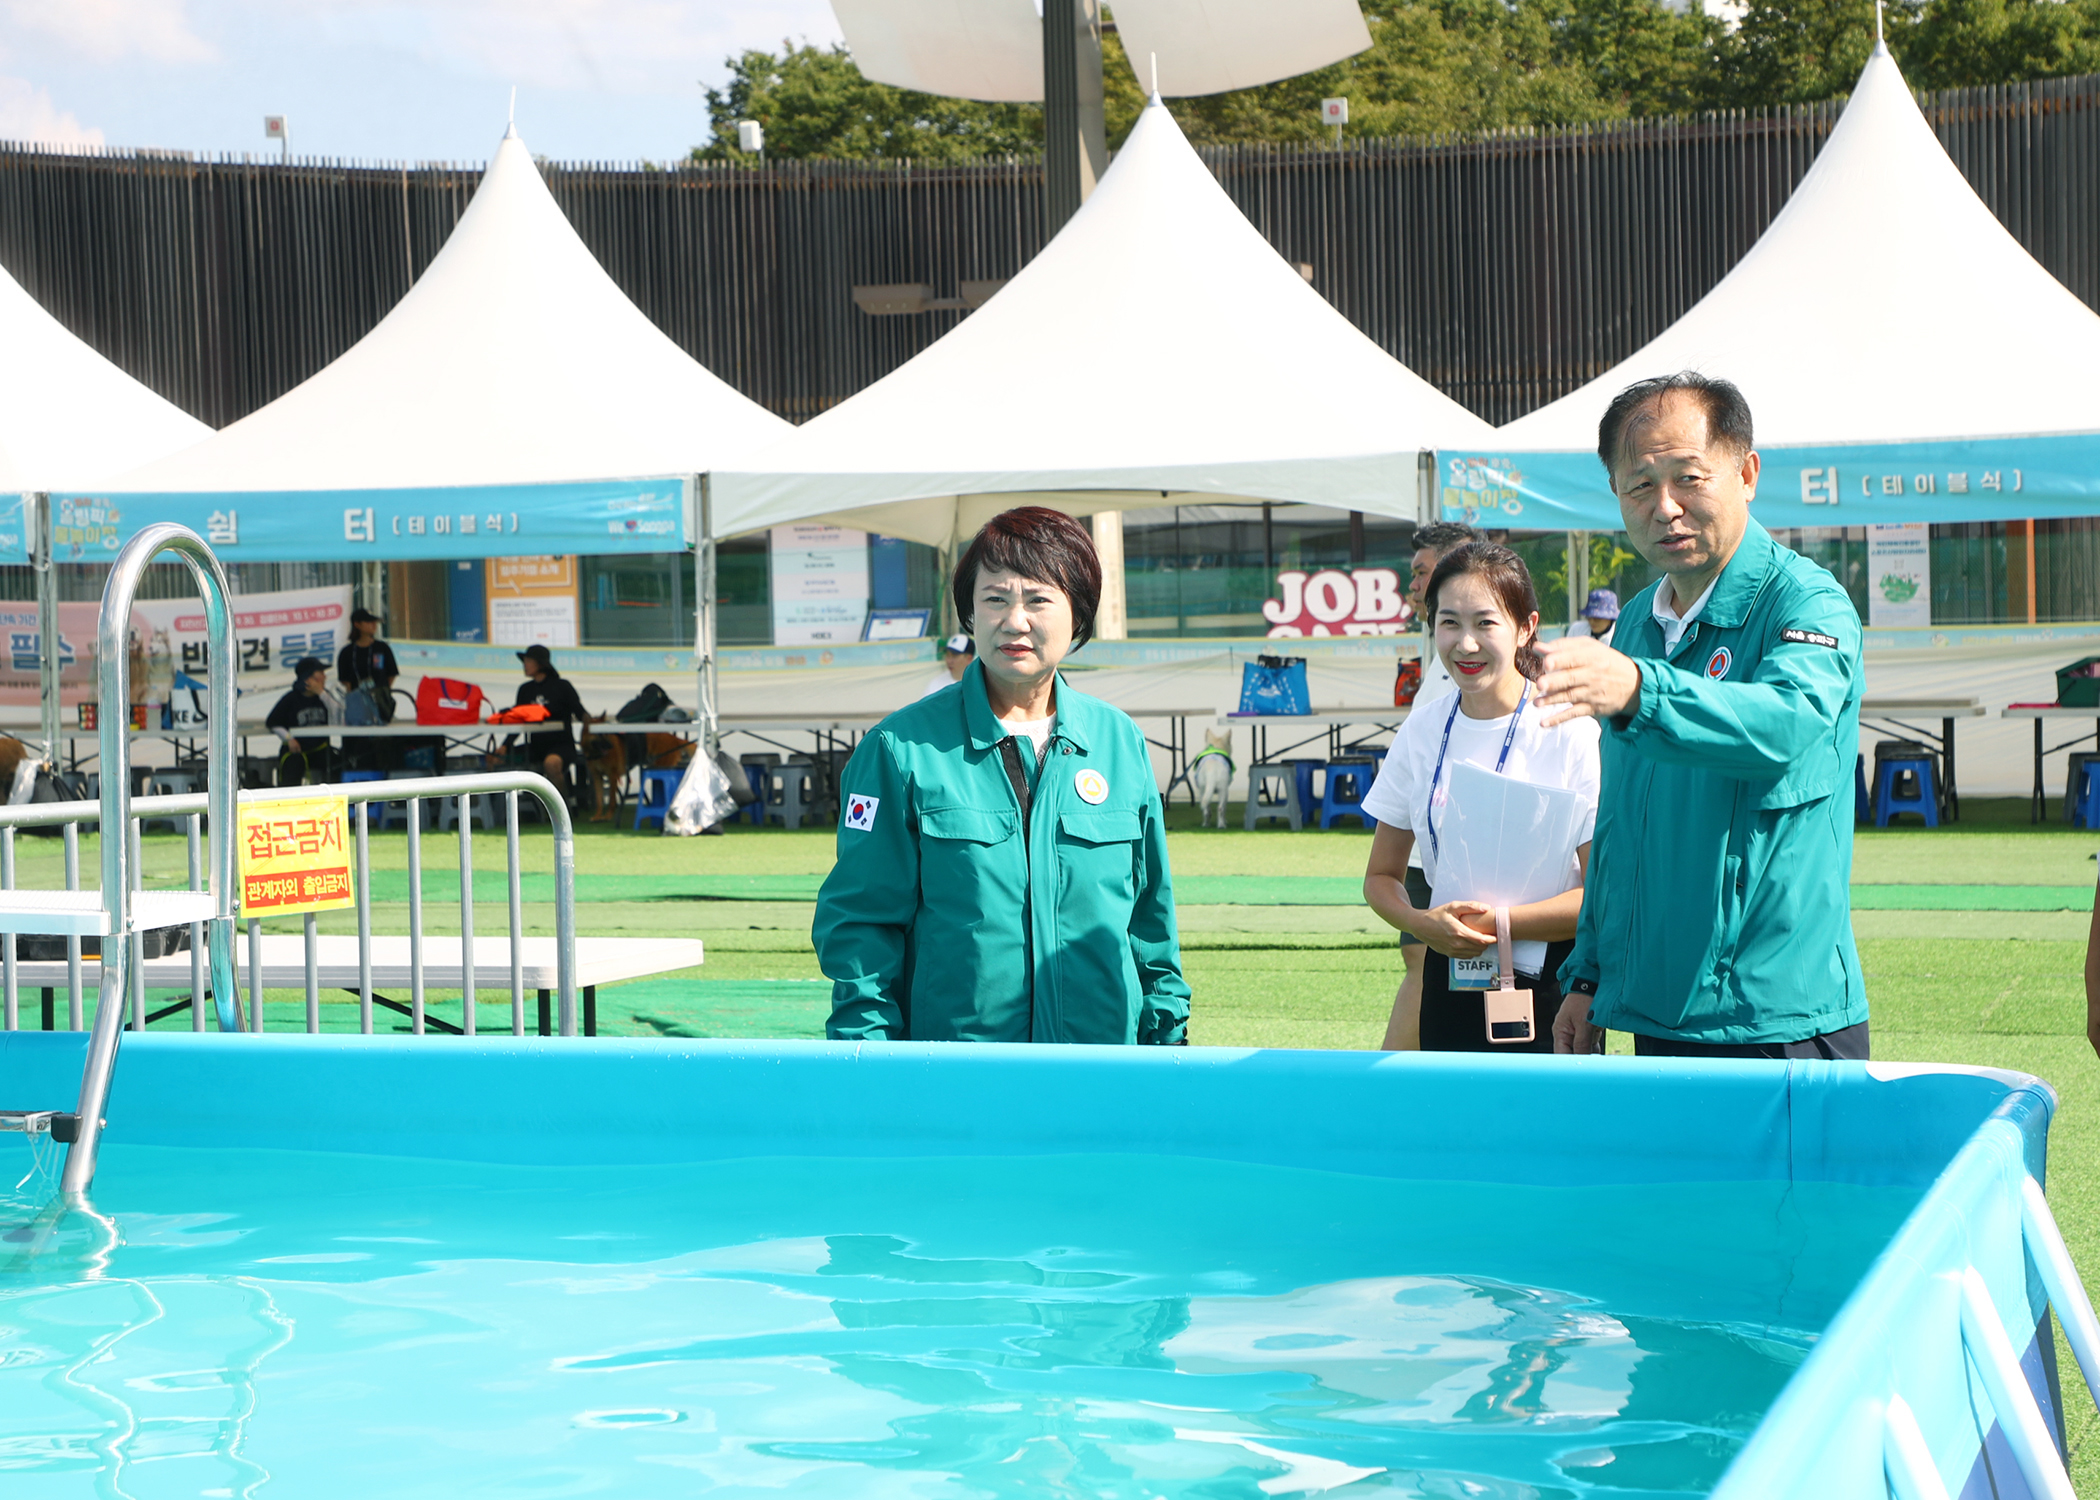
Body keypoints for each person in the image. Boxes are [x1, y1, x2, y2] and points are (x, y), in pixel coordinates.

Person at [1535, 371, 1868, 1059]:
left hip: (1778, 1015)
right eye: (1639, 485)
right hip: (1656, 1010)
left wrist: (1639, 691)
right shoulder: (1634, 623)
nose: (1665, 507)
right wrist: (1590, 972)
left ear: (1746, 473)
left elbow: (1782, 723)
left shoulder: (1806, 604)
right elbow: (1621, 819)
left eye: (1689, 477)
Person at [815, 506, 1189, 1045]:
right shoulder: (900, 750)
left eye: (1039, 599)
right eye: (994, 599)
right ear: (969, 614)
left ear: (1078, 615)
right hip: (956, 1071)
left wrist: (1167, 1029)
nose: (1015, 621)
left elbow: (1149, 913)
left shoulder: (1117, 741)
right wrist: (867, 1052)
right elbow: (861, 922)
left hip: (1105, 1063)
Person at [1362, 544, 1599, 1052]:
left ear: (1526, 626)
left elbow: (1600, 895)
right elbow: (1380, 876)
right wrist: (1421, 923)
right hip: (1449, 976)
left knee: (1545, 1129)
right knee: (1448, 1127)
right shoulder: (1422, 730)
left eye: (1485, 623)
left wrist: (1494, 924)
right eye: (1448, 623)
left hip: (1552, 986)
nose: (1465, 644)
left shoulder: (1570, 728)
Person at [1382, 519, 1483, 1050]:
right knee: (1421, 958)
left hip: (1473, 846)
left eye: (1422, 572)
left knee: (1434, 963)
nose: (1413, 586)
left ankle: (1392, 1086)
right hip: (1425, 849)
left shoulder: (1483, 656)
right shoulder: (1439, 651)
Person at [510, 644, 589, 803]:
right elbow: (517, 719)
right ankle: (503, 811)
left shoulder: (562, 686)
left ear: (540, 664)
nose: (524, 665)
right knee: (497, 758)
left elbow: (580, 712)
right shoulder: (525, 690)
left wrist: (592, 726)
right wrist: (505, 745)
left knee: (551, 764)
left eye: (528, 661)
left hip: (561, 745)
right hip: (534, 746)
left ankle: (561, 807)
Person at [266, 656, 336, 785]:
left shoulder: (324, 697)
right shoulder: (291, 699)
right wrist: (289, 738)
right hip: (296, 751)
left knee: (339, 765)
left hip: (320, 750)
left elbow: (338, 714)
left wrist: (321, 693)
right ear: (308, 679)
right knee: (292, 768)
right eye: (320, 674)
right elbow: (273, 722)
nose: (324, 677)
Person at [338, 608, 400, 723]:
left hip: (381, 704)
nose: (373, 625)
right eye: (368, 622)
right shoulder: (347, 652)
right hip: (357, 706)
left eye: (374, 622)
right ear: (357, 624)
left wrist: (382, 693)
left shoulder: (382, 648)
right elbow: (346, 681)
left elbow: (391, 674)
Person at [918, 633, 976, 699]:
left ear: (969, 658)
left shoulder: (979, 684)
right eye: (948, 655)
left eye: (954, 656)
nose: (949, 661)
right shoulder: (935, 685)